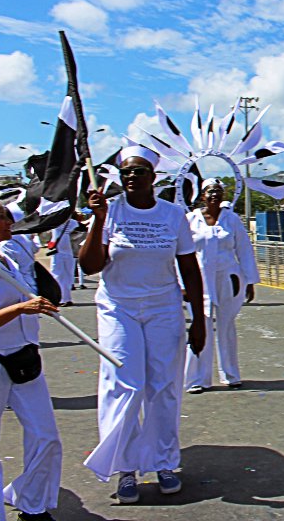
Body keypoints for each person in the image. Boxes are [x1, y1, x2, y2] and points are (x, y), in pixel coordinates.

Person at [79, 145, 206, 503]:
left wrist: (198, 319)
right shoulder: (109, 211)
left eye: (139, 171)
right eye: (126, 172)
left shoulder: (172, 215)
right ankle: (126, 468)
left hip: (164, 308)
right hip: (118, 308)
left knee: (163, 386)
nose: (131, 177)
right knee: (125, 385)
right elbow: (89, 266)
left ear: (153, 177)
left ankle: (164, 461)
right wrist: (99, 220)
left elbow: (189, 269)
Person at [0, 191, 62, 521]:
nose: (9, 222)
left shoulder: (7, 259)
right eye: (1, 217)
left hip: (23, 359)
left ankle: (32, 503)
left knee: (46, 437)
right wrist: (20, 307)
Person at [184, 179, 259, 394]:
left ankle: (230, 375)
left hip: (229, 278)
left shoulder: (231, 219)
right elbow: (180, 252)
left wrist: (250, 281)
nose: (214, 194)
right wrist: (182, 284)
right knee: (201, 324)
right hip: (199, 280)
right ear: (202, 196)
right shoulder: (191, 220)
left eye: (218, 191)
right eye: (210, 191)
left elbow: (244, 249)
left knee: (226, 326)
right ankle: (197, 379)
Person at [0, 202, 41, 291]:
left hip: (20, 287)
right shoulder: (26, 236)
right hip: (32, 282)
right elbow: (36, 248)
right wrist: (35, 236)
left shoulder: (6, 242)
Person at [48, 216, 78, 306]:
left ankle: (61, 298)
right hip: (69, 251)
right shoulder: (72, 222)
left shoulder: (54, 221)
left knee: (57, 275)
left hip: (59, 251)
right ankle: (66, 298)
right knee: (68, 276)